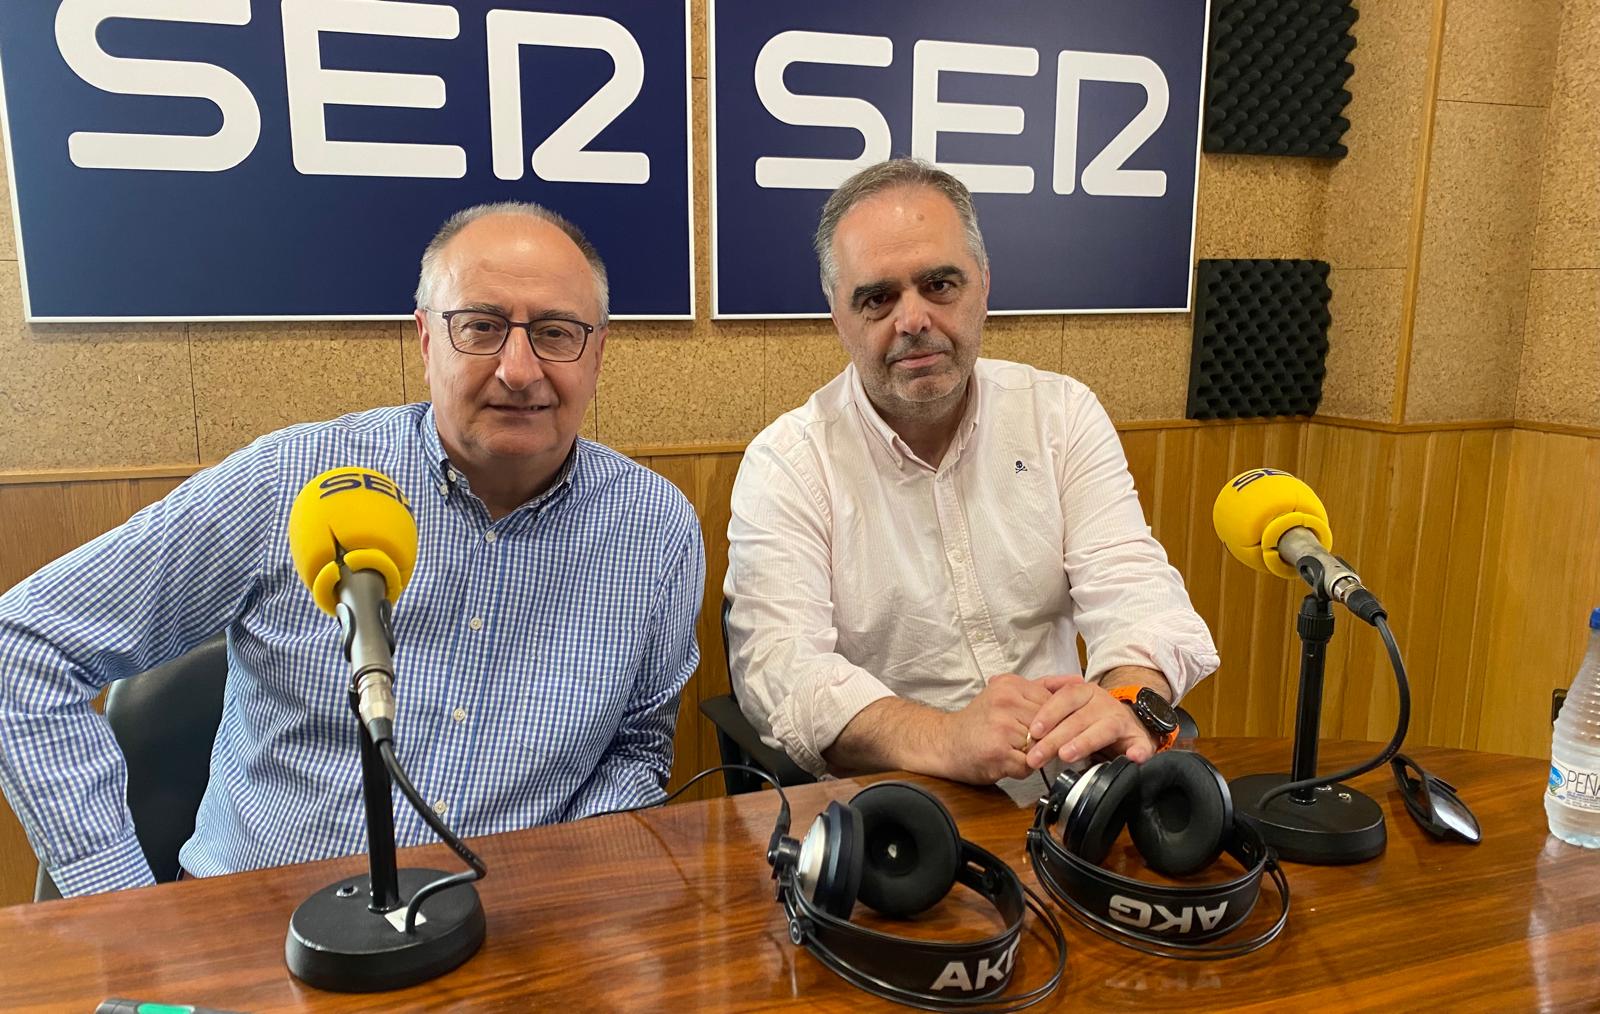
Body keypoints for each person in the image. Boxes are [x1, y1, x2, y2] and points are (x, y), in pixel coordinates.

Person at [0, 202, 705, 897]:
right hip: (261, 928)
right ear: (426, 340)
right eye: (481, 327)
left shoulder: (656, 527)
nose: (518, 370)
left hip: (511, 926)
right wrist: (123, 911)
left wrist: (557, 882)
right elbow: (24, 647)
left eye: (555, 333)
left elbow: (637, 747)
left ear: (597, 354)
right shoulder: (290, 481)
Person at [724, 159, 1217, 789]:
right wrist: (946, 737)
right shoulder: (788, 463)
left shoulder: (1060, 415)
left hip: (1070, 784)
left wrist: (1127, 698)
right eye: (877, 298)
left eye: (939, 285)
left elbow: (1135, 588)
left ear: (983, 285)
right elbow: (781, 669)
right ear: (838, 316)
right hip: (902, 801)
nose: (912, 320)